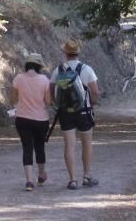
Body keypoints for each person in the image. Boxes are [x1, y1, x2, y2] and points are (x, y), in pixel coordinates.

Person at [50, 37, 101, 190]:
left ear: (65, 53)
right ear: (78, 52)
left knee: (69, 146)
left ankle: (72, 180)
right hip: (84, 111)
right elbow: (95, 92)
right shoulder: (87, 69)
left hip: (65, 112)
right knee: (86, 144)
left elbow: (51, 90)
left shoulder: (58, 70)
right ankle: (86, 176)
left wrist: (56, 103)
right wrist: (92, 104)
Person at [10, 52, 52, 191]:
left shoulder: (18, 79)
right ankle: (41, 175)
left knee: (27, 148)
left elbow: (13, 100)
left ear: (27, 65)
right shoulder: (44, 80)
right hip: (41, 119)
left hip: (22, 119)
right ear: (39, 66)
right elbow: (48, 102)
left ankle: (29, 181)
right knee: (40, 147)